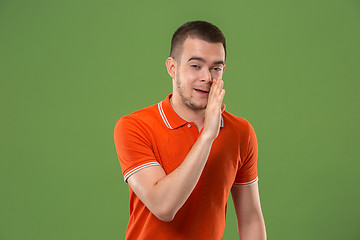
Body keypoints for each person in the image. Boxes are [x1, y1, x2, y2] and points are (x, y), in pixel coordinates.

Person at [114, 20, 266, 240]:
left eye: (216, 68)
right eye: (196, 66)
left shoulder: (241, 132)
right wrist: (207, 136)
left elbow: (250, 217)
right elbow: (164, 206)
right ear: (172, 67)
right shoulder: (134, 126)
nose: (207, 77)